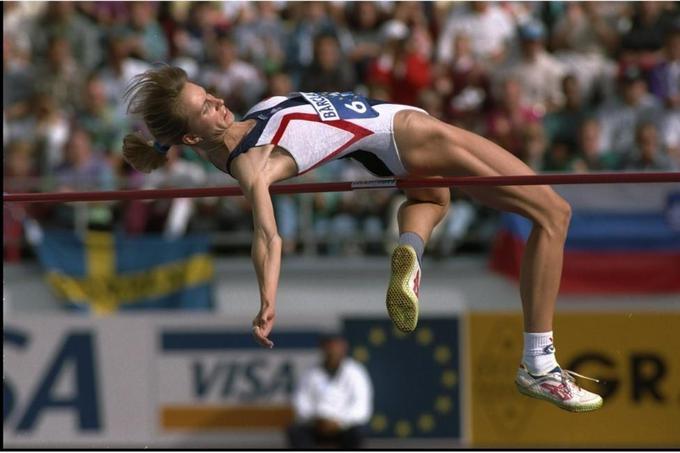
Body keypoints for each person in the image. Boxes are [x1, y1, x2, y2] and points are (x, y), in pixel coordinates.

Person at [122, 65, 603, 412]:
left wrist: (168, 140)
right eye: (205, 107)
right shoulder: (253, 164)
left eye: (209, 93)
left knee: (434, 201)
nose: (217, 102)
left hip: (384, 151)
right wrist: (267, 300)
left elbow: (241, 139)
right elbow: (268, 235)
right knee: (554, 214)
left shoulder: (246, 122)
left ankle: (409, 253)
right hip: (412, 134)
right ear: (191, 139)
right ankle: (538, 364)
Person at [287, 333, 372, 449]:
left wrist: (340, 422)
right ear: (322, 349)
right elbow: (300, 402)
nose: (332, 351)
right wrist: (317, 420)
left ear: (343, 348)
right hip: (317, 425)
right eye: (328, 347)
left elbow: (361, 407)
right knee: (295, 431)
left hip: (344, 427)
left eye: (336, 346)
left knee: (359, 431)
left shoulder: (356, 372)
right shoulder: (310, 373)